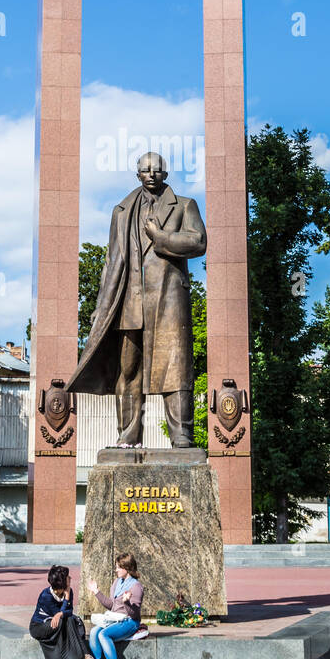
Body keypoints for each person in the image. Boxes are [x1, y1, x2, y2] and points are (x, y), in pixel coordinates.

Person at [66, 152, 207, 448]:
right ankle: (128, 435)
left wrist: (161, 237)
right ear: (137, 174)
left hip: (168, 298)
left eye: (157, 170)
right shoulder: (121, 211)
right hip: (129, 299)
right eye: (146, 170)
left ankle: (181, 435)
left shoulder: (184, 206)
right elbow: (111, 260)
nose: (152, 174)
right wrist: (101, 305)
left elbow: (198, 242)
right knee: (128, 371)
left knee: (175, 367)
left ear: (166, 175)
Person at [29, 565, 97, 659]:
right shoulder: (46, 596)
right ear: (61, 584)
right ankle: (84, 656)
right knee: (64, 620)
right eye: (67, 577)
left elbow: (68, 612)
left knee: (75, 621)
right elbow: (59, 615)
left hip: (58, 624)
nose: (70, 578)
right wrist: (66, 600)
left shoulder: (68, 591)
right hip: (39, 627)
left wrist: (61, 612)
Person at [86, 552, 143, 659]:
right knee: (94, 631)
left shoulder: (136, 586)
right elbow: (111, 605)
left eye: (118, 567)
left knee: (103, 634)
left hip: (130, 622)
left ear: (126, 568)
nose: (116, 570)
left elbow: (134, 614)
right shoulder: (117, 582)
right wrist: (96, 592)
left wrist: (127, 602)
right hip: (114, 619)